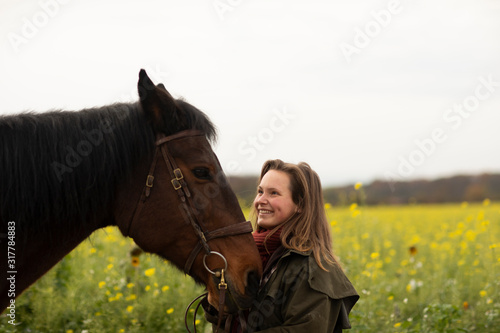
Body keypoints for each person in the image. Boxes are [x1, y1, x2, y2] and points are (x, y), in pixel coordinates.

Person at [203, 159, 359, 332]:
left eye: (274, 193)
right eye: (260, 191)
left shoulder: (313, 266)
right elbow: (221, 318)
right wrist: (217, 298)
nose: (260, 200)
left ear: (300, 204)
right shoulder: (246, 254)